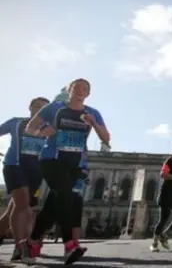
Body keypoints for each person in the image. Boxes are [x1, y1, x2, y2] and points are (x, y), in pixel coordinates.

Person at [24, 78, 109, 265]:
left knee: (54, 203)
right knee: (66, 197)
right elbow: (31, 126)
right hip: (52, 159)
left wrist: (94, 122)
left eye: (85, 88)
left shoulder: (92, 113)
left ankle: (32, 241)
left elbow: (106, 137)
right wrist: (41, 132)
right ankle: (71, 244)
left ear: (88, 94)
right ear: (69, 90)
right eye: (76, 87)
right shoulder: (53, 108)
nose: (80, 90)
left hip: (76, 164)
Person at [0, 97, 50, 262]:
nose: (39, 110)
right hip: (14, 165)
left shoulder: (49, 129)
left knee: (18, 209)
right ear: (30, 107)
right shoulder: (16, 122)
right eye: (37, 106)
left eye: (44, 108)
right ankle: (20, 247)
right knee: (23, 205)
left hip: (36, 171)